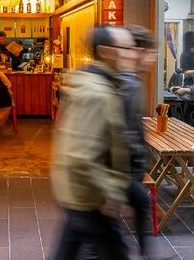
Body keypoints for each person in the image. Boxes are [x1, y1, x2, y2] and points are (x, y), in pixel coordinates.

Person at [51, 25, 133, 260]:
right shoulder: (97, 93)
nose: (130, 53)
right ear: (106, 51)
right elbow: (81, 154)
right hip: (91, 197)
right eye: (125, 48)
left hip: (78, 192)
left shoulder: (90, 83)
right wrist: (110, 194)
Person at [119, 25, 159, 259]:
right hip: (115, 174)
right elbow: (125, 132)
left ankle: (145, 252)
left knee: (142, 202)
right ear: (137, 51)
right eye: (151, 53)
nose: (153, 59)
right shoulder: (129, 84)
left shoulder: (124, 81)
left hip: (114, 174)